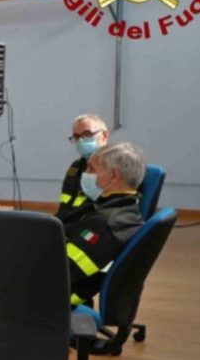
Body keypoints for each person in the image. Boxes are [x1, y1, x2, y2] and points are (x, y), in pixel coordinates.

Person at [63, 142, 146, 306]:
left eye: (91, 169)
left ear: (114, 176)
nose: (85, 174)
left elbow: (62, 270)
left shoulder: (107, 225)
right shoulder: (112, 206)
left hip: (56, 296)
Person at [57, 114, 111, 221]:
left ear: (104, 136)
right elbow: (65, 203)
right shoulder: (76, 166)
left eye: (87, 134)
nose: (81, 141)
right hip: (69, 222)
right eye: (76, 137)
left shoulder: (115, 166)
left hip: (94, 223)